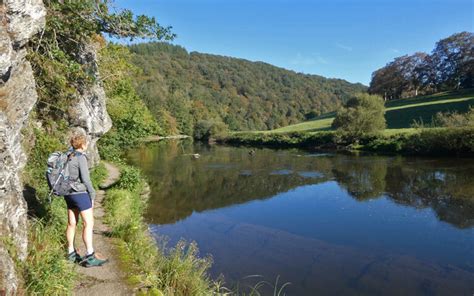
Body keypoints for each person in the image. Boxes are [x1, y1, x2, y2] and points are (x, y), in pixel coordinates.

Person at [64, 133, 107, 267]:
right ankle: (90, 255)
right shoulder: (80, 158)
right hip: (80, 194)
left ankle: (70, 253)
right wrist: (92, 195)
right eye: (86, 143)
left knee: (72, 223)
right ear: (82, 144)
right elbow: (86, 180)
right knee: (88, 224)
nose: (87, 145)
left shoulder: (67, 156)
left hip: (68, 193)